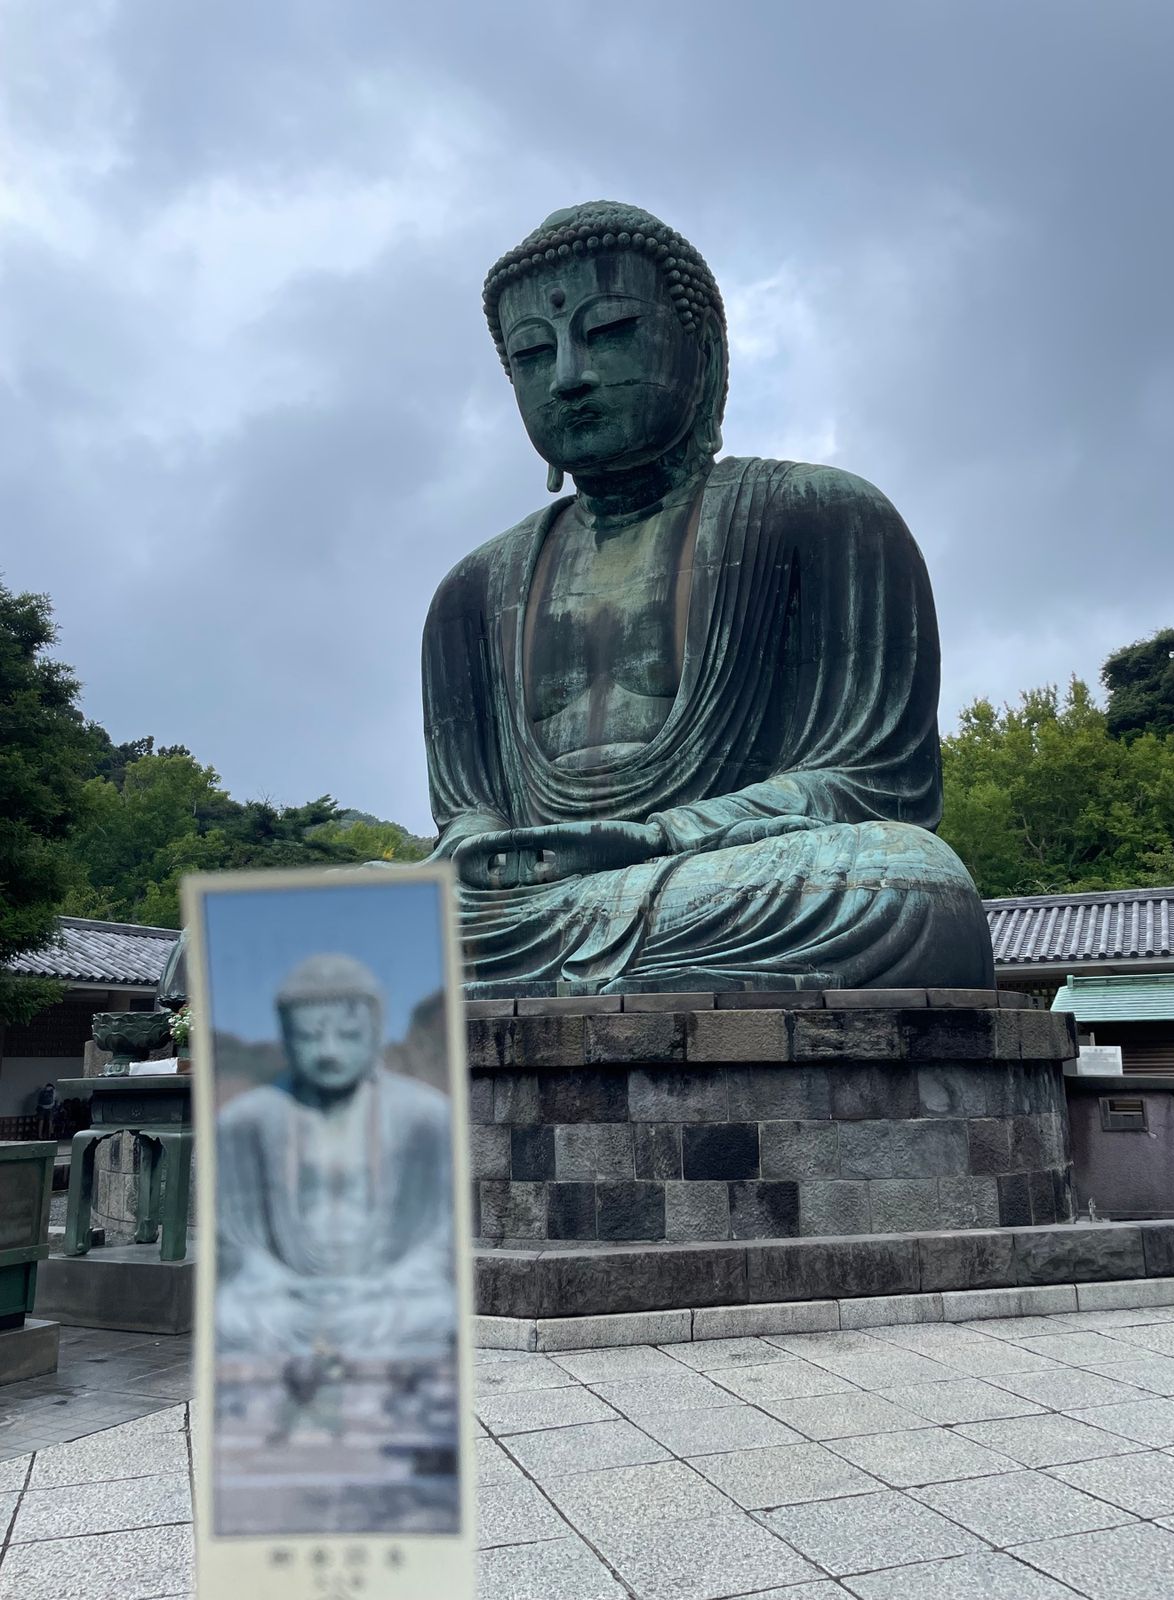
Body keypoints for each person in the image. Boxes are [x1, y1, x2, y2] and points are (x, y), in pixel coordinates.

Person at [421, 200, 995, 995]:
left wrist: (660, 836)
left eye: (609, 330)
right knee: (338, 925)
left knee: (910, 886)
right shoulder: (473, 590)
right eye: (532, 353)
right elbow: (468, 817)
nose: (569, 376)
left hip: (728, 874)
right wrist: (482, 846)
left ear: (703, 352)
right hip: (530, 902)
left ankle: (534, 976)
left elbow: (873, 787)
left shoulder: (823, 516)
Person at [215, 954, 455, 1357]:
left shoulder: (424, 1115)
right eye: (309, 1036)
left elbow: (440, 1236)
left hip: (387, 1294)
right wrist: (276, 1281)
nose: (329, 1051)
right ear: (285, 1037)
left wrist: (387, 1284)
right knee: (229, 1314)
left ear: (376, 1030)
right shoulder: (247, 1119)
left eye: (348, 1034)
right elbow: (234, 1239)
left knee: (438, 1310)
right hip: (286, 1298)